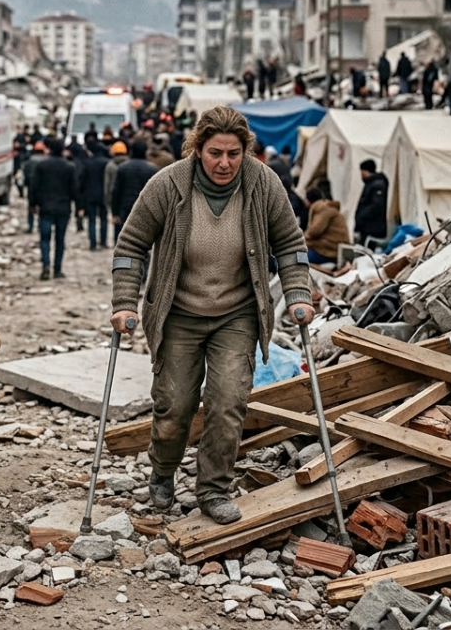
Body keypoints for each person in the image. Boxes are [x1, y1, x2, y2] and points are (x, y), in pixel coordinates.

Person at [110, 106, 314, 525]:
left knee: (227, 401)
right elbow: (131, 247)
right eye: (215, 153)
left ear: (246, 152)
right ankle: (163, 472)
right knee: (174, 406)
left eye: (234, 154)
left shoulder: (264, 185)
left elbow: (290, 245)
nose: (225, 163)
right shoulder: (168, 185)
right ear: (197, 149)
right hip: (178, 313)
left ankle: (214, 489)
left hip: (237, 314)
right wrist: (124, 303)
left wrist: (297, 293)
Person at [29, 139, 79, 280]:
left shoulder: (41, 166)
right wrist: (79, 206)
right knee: (60, 239)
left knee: (45, 238)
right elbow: (74, 189)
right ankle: (57, 269)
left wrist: (32, 204)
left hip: (45, 207)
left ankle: (45, 264)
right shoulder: (69, 167)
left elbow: (34, 186)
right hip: (63, 207)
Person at [110, 140, 158, 239]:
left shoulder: (122, 168)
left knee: (123, 237)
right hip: (145, 208)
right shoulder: (152, 169)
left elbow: (115, 191)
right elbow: (156, 193)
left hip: (125, 207)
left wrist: (115, 213)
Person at [80, 134, 111, 250]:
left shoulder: (87, 163)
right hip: (103, 194)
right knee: (103, 218)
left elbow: (82, 180)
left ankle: (92, 243)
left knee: (92, 220)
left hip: (90, 194)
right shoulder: (106, 162)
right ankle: (103, 241)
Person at [304, 187, 350, 264]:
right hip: (333, 249)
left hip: (328, 251)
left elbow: (315, 231)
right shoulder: (329, 208)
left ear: (308, 201)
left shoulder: (322, 209)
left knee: (296, 259)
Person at [354, 159, 389, 249]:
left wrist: (362, 215)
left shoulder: (376, 185)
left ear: (365, 171)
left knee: (367, 250)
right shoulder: (372, 184)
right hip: (368, 227)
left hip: (372, 227)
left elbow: (376, 205)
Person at [21, 141, 47, 233]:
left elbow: (24, 175)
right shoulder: (46, 161)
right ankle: (41, 226)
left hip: (31, 187)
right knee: (42, 208)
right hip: (44, 188)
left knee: (31, 207)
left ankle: (31, 226)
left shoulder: (29, 162)